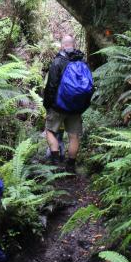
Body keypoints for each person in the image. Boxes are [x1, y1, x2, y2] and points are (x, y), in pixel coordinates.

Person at [43, 35, 93, 173]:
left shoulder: (58, 61)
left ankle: (56, 162)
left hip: (58, 107)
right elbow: (89, 86)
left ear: (62, 46)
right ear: (73, 45)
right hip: (76, 107)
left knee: (50, 131)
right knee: (74, 136)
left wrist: (48, 105)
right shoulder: (82, 61)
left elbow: (51, 86)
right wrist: (83, 106)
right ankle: (70, 166)